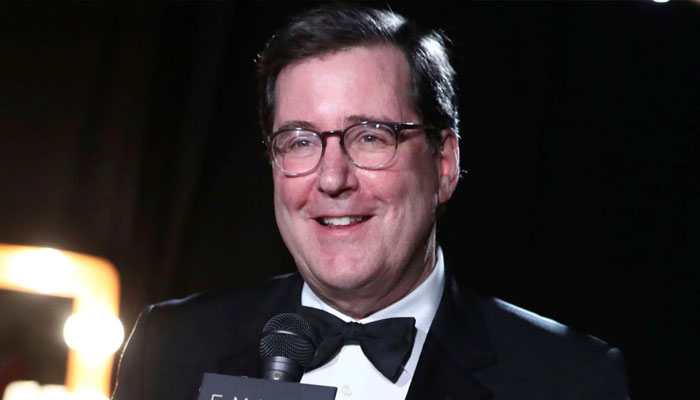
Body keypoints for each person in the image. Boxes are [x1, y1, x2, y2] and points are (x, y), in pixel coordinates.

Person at [112, 4, 629, 400]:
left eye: (370, 137)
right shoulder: (170, 347)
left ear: (444, 164)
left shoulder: (569, 379)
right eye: (300, 141)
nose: (332, 179)